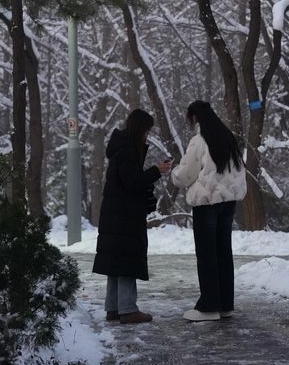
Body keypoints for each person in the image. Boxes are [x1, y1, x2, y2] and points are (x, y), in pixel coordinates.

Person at [92, 108, 171, 324]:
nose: (147, 135)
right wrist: (156, 170)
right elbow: (133, 182)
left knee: (116, 262)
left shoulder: (121, 148)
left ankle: (113, 308)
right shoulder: (127, 151)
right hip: (124, 216)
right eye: (146, 131)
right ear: (140, 129)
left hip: (117, 214)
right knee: (125, 261)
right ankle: (127, 309)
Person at [170, 100, 247, 321]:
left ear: (194, 118)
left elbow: (186, 174)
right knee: (223, 251)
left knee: (207, 253)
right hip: (229, 202)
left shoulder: (199, 140)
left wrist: (174, 173)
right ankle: (225, 304)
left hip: (207, 203)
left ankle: (208, 306)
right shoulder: (228, 137)